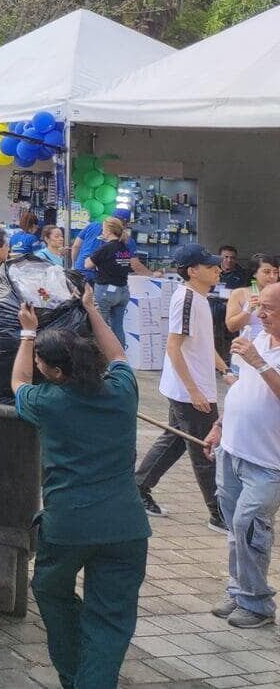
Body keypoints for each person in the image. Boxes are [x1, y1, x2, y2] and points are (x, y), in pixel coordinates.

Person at [12, 287, 149, 689]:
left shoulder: (47, 401)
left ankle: (76, 675)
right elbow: (119, 353)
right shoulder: (122, 392)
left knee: (50, 590)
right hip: (126, 525)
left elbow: (18, 380)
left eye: (42, 360)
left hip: (69, 525)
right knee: (110, 618)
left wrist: (27, 334)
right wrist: (92, 310)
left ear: (54, 371)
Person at [205, 280, 280, 627]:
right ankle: (240, 591)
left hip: (269, 462)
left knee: (249, 526)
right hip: (232, 450)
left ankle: (258, 604)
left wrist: (259, 362)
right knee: (236, 527)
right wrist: (219, 426)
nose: (259, 313)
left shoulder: (260, 350)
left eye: (269, 308)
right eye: (259, 305)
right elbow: (242, 390)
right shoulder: (259, 339)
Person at [136, 244, 228, 528]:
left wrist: (224, 368)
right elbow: (174, 347)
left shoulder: (199, 298)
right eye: (210, 265)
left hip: (191, 386)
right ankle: (219, 512)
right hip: (190, 390)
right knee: (205, 450)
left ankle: (138, 489)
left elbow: (201, 344)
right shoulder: (186, 299)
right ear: (192, 271)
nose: (218, 269)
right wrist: (194, 391)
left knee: (174, 440)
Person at [85, 215, 149, 348]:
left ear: (108, 231)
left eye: (103, 229)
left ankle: (101, 358)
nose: (102, 232)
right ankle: (120, 357)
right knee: (118, 326)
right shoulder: (124, 248)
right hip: (123, 290)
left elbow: (87, 264)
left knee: (100, 326)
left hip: (105, 290)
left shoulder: (105, 248)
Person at [227, 253, 278, 340]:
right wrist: (248, 310)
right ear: (254, 273)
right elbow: (231, 327)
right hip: (249, 345)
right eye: (267, 272)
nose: (272, 276)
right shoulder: (239, 293)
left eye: (276, 272)